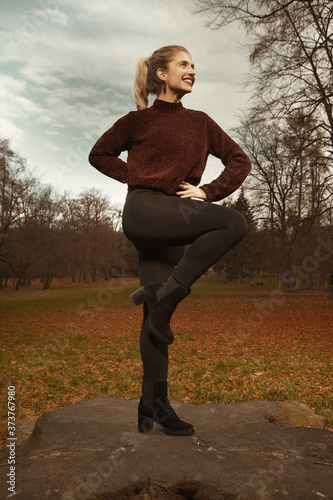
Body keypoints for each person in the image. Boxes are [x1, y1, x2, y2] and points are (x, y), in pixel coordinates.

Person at [89, 45, 251, 437]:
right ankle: (169, 292)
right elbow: (99, 154)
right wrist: (139, 177)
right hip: (145, 211)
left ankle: (153, 406)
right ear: (161, 73)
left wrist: (207, 191)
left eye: (194, 64)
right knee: (234, 224)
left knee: (155, 321)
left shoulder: (201, 122)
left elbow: (239, 160)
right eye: (183, 64)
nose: (192, 70)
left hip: (176, 217)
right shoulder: (136, 121)